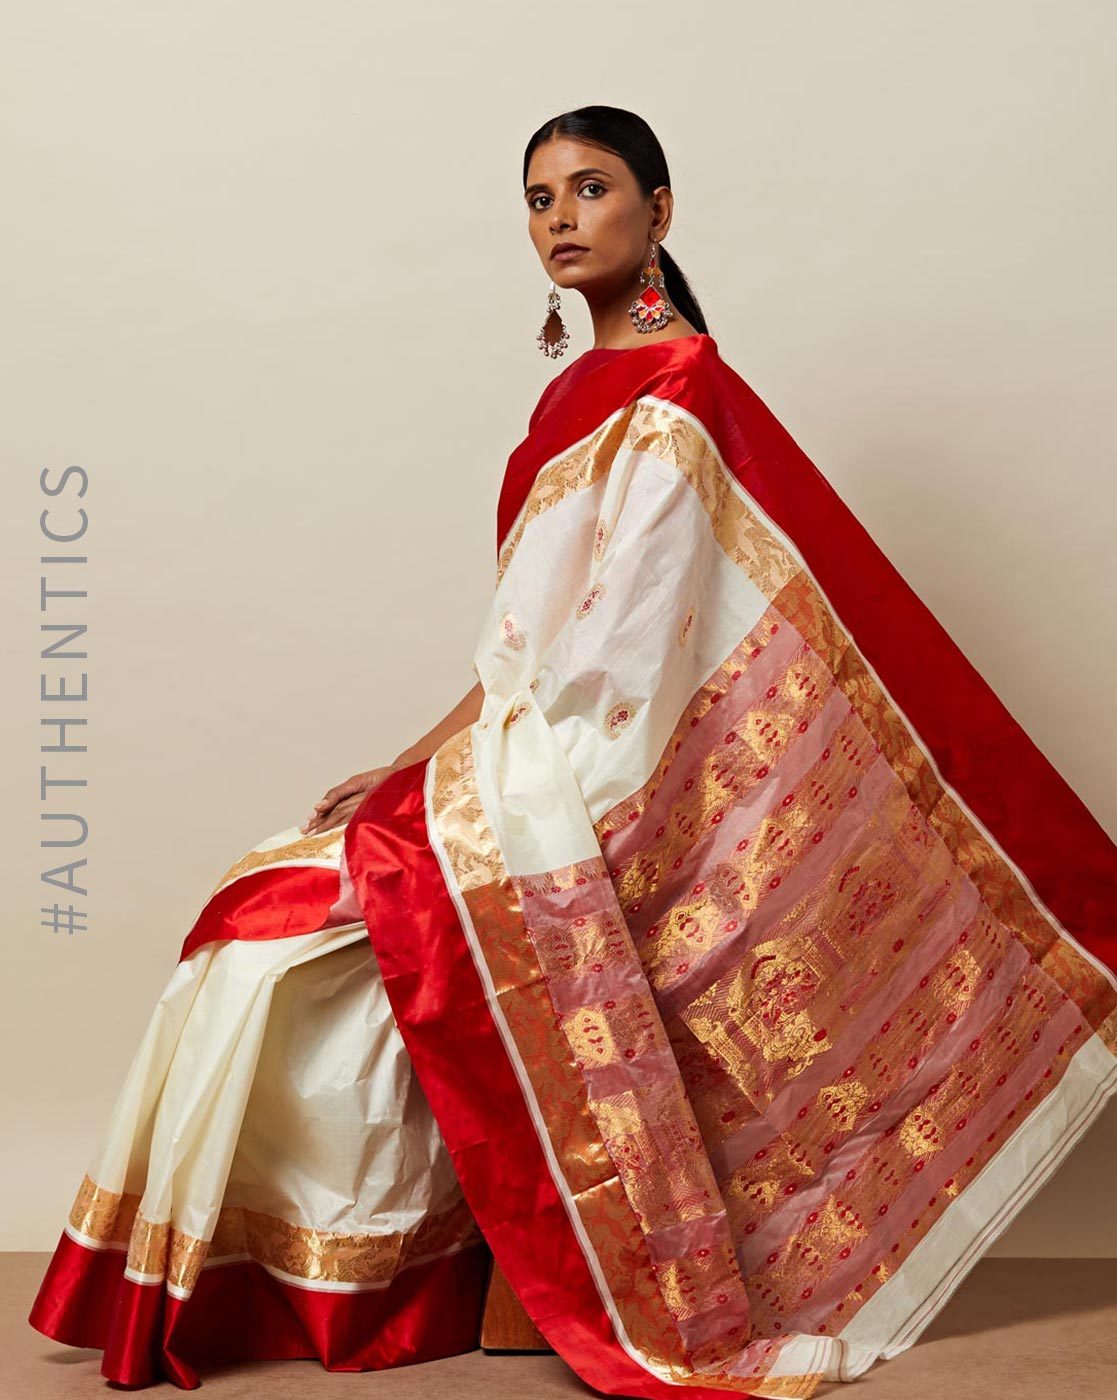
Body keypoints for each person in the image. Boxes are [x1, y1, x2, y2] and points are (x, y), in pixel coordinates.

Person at [29, 105, 1117, 1398]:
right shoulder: (572, 397)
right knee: (251, 915)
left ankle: (376, 1278)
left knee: (295, 936)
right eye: (537, 196)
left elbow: (622, 656)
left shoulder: (677, 394)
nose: (558, 217)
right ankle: (345, 1272)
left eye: (590, 189)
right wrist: (415, 757)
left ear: (658, 211)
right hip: (523, 746)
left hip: (607, 770)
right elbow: (523, 644)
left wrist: (463, 779)